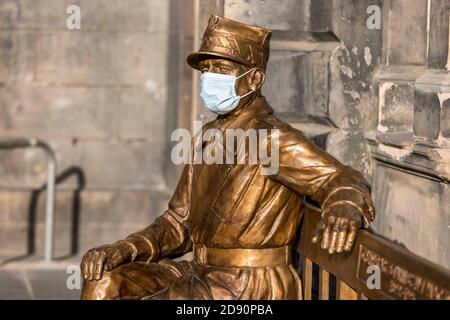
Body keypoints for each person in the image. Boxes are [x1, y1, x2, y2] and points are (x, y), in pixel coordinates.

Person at [80, 15, 375, 300]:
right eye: (206, 69)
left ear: (255, 79)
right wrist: (124, 249)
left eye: (221, 69)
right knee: (103, 283)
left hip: (247, 283)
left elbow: (340, 178)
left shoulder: (272, 138)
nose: (209, 78)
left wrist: (344, 206)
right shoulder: (207, 137)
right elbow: (176, 223)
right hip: (200, 273)